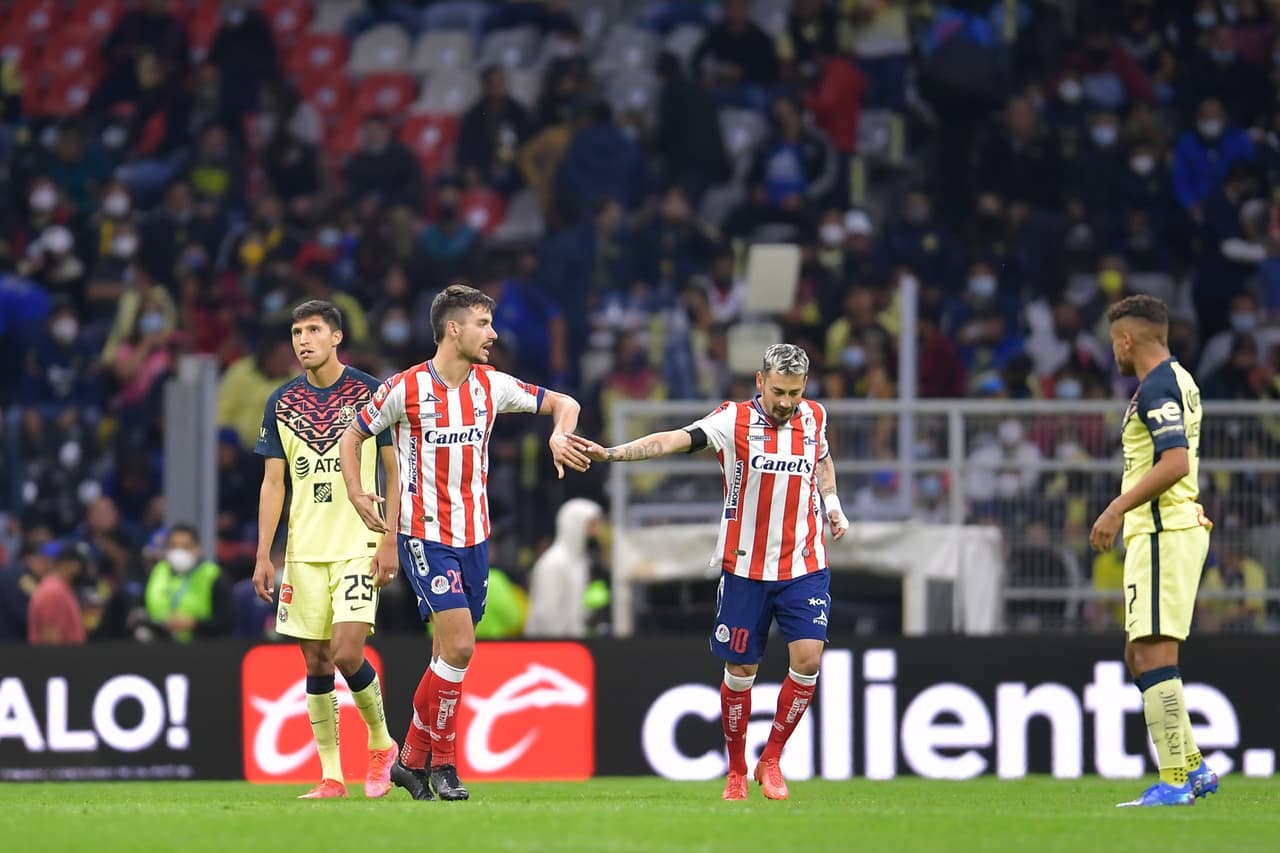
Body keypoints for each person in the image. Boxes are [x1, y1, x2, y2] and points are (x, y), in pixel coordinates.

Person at [339, 283, 589, 802]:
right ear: (453, 329)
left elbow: (566, 401)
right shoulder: (403, 389)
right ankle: (445, 765)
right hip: (423, 535)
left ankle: (409, 760)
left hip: (476, 538)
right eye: (483, 323)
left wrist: (559, 432)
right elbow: (353, 435)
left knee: (445, 657)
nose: (494, 334)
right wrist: (359, 492)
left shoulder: (491, 385)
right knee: (460, 645)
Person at [568, 343, 850, 801]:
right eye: (778, 391)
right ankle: (736, 768)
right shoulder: (732, 420)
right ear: (760, 382)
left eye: (794, 393)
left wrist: (832, 504)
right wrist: (612, 454)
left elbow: (821, 459)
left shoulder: (814, 417)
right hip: (744, 567)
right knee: (741, 668)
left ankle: (772, 759)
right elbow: (674, 439)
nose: (785, 402)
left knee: (809, 659)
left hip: (804, 564)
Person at [253, 300, 400, 800]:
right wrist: (262, 554)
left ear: (337, 337)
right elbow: (274, 484)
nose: (303, 340)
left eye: (314, 330)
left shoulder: (370, 393)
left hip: (358, 543)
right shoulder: (280, 402)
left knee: (346, 651)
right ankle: (332, 777)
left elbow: (395, 469)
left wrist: (389, 537)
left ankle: (381, 744)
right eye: (297, 332)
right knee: (315, 662)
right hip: (303, 550)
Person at [1089, 294, 1216, 807]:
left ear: (1126, 340)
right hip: (1162, 531)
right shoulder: (1179, 378)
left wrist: (1115, 509)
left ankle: (1176, 782)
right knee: (1138, 653)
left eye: (1113, 342)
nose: (1112, 352)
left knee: (1152, 653)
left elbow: (1175, 461)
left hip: (1163, 532)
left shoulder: (1159, 385)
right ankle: (1193, 767)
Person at [524, 498, 603, 638]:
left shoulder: (579, 563)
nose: (596, 530)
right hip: (551, 645)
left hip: (572, 644)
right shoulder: (553, 563)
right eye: (591, 524)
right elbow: (546, 612)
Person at [142, 524, 233, 642]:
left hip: (201, 648)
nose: (179, 551)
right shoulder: (158, 572)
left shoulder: (214, 575)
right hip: (158, 646)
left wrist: (194, 624)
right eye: (174, 546)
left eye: (186, 546)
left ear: (198, 548)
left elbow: (227, 621)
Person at [28, 544, 88, 645]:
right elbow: (51, 640)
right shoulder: (54, 592)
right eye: (80, 565)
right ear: (69, 564)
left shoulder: (60, 588)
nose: (82, 569)